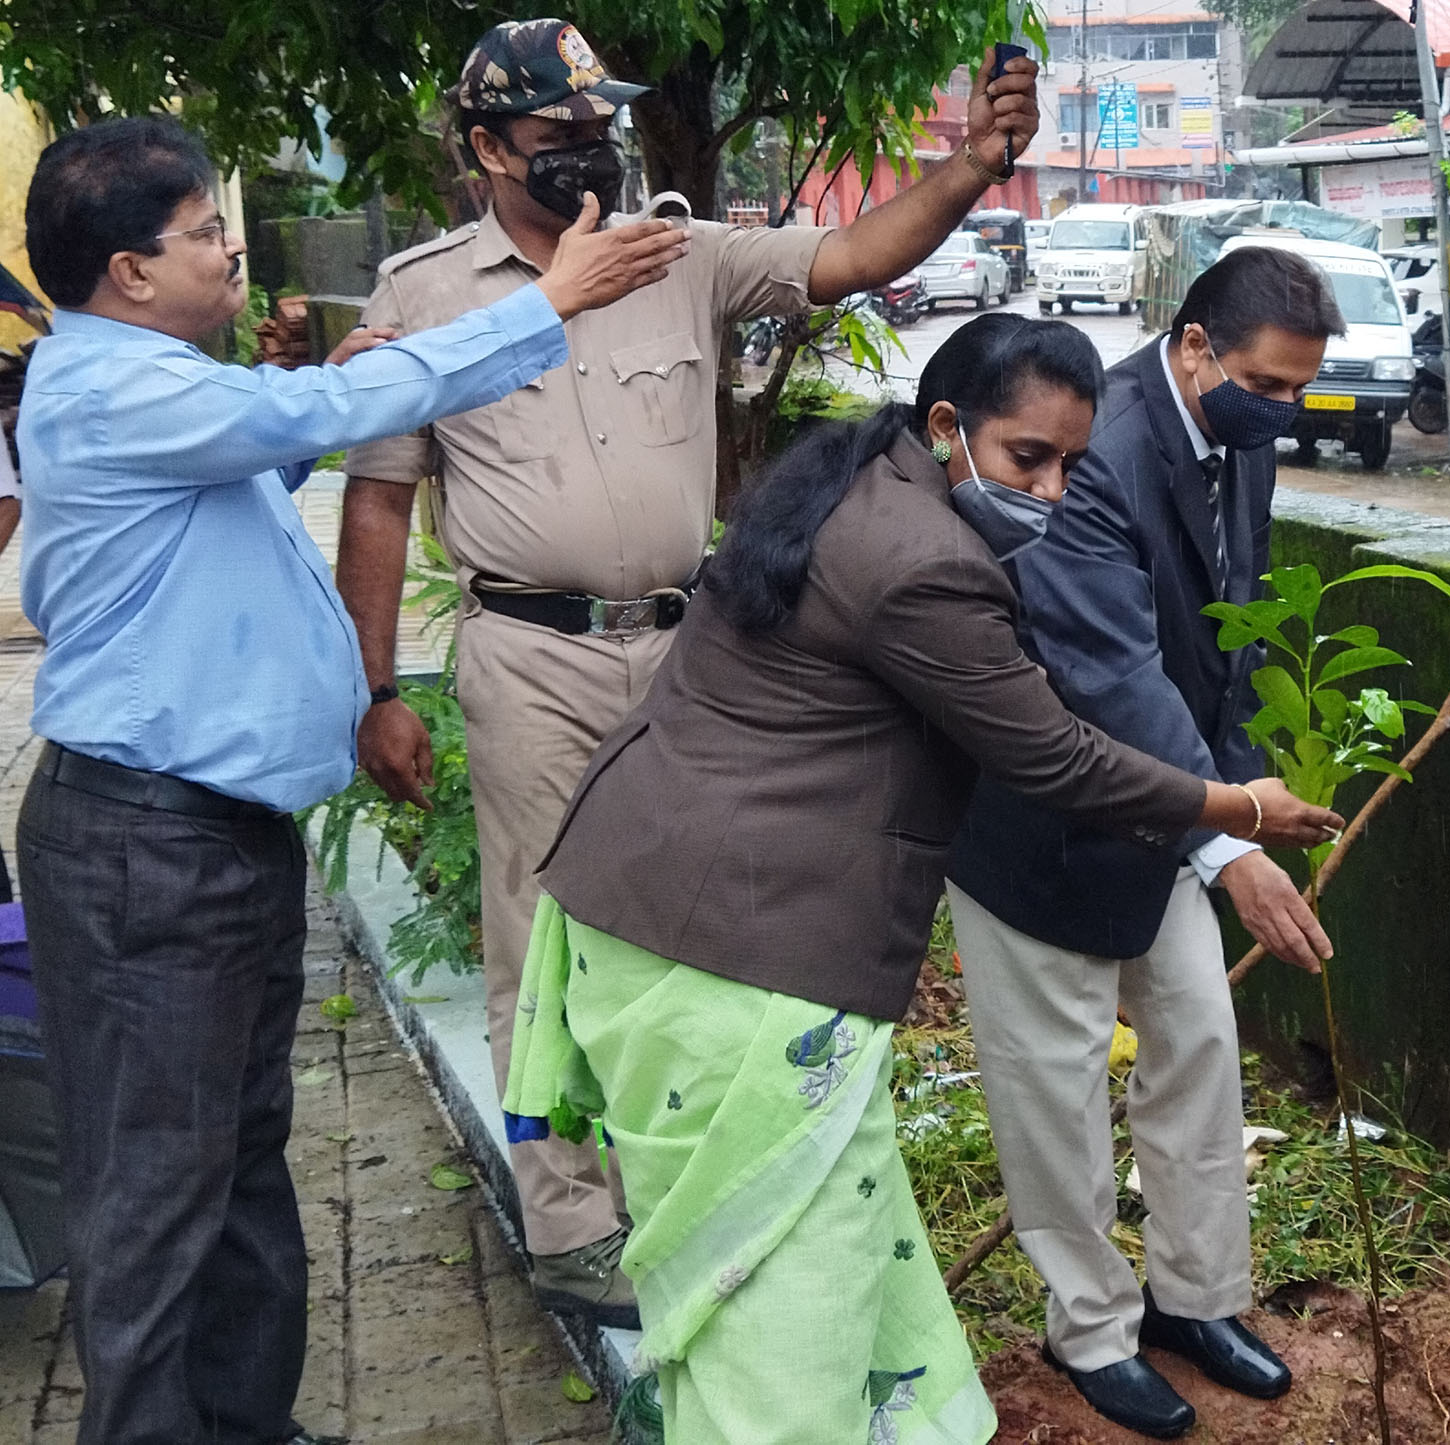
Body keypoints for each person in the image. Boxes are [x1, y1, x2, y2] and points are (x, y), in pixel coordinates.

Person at [498, 314, 1343, 1443]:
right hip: (735, 935)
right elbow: (1048, 746)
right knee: (772, 1279)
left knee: (819, 1236)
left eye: (1068, 465)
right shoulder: (921, 558)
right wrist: (1234, 815)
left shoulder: (854, 484)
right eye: (1025, 459)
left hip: (680, 897)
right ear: (947, 426)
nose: (1049, 492)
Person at [336, 17, 1044, 1324]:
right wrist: (375, 692)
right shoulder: (425, 298)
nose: (590, 149)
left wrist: (971, 167)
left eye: (603, 124)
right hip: (529, 655)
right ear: (490, 148)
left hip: (691, 657)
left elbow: (847, 254)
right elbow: (378, 505)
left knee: (694, 932)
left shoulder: (677, 253)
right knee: (541, 940)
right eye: (559, 134)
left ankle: (680, 1181)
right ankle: (568, 1221)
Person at [14, 115, 678, 1445]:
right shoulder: (102, 385)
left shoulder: (165, 385)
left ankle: (243, 1422)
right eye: (208, 230)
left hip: (214, 838)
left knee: (241, 1160)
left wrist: (341, 380)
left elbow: (279, 433)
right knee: (153, 1194)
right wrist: (545, 303)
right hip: (150, 843)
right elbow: (311, 417)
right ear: (131, 271)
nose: (232, 246)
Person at [944, 246, 1346, 1440]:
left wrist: (1224, 796)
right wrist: (1232, 839)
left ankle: (1194, 1297)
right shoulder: (1094, 450)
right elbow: (1107, 671)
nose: (1281, 412)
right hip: (1041, 820)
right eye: (1265, 385)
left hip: (1165, 810)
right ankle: (1093, 1329)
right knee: (1055, 1088)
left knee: (1196, 1043)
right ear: (1191, 347)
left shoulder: (1241, 438)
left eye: (1296, 393)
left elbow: (1218, 641)